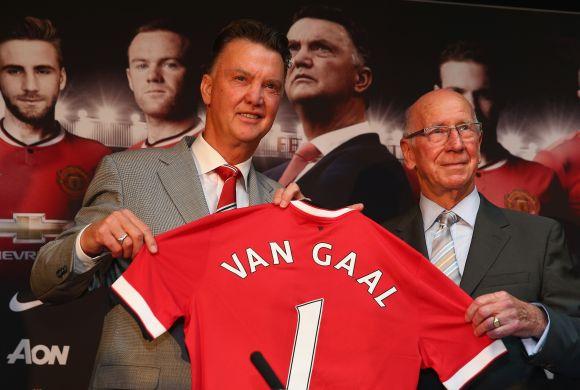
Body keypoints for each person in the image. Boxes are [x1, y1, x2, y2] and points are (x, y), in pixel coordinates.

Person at [31, 19, 299, 389]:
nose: (255, 97)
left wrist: (314, 239)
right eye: (241, 79)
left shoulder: (281, 205)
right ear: (208, 88)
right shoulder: (127, 172)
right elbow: (45, 281)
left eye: (270, 86)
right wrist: (90, 240)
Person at [384, 89, 580, 388]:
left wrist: (536, 320)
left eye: (465, 129)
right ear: (409, 153)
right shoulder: (379, 241)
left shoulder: (539, 236)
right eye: (437, 131)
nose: (457, 145)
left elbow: (576, 345)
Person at [266, 5, 411, 223]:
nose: (300, 59)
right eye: (292, 48)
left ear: (361, 79)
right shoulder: (270, 176)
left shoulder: (381, 172)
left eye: (321, 48)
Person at [0, 16, 110, 302]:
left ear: (61, 77)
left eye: (43, 71)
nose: (30, 85)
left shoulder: (97, 158)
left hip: (71, 327)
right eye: (14, 71)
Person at [435, 41, 567, 218]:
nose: (471, 106)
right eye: (457, 92)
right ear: (436, 96)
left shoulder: (541, 179)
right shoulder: (416, 178)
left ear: (500, 98)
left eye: (485, 94)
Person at [126, 19, 203, 149]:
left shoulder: (223, 153)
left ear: (199, 76)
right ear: (130, 78)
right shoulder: (124, 161)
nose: (153, 76)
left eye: (170, 65)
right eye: (142, 66)